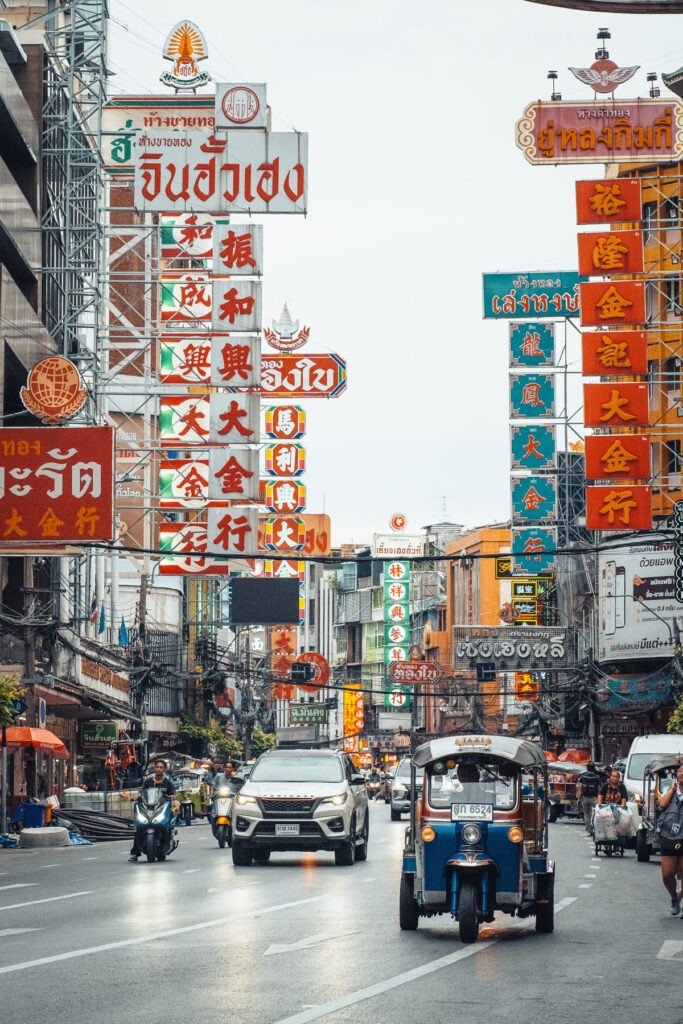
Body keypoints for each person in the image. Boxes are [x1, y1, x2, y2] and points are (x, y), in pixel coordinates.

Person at [129, 759, 176, 862]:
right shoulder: (148, 781)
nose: (158, 769)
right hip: (148, 808)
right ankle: (135, 853)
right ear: (154, 768)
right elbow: (142, 793)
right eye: (157, 767)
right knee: (140, 827)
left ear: (165, 769)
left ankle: (166, 845)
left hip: (161, 808)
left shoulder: (168, 783)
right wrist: (137, 796)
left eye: (161, 767)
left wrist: (172, 796)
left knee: (166, 826)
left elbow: (173, 794)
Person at [657, 764, 683, 915]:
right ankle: (675, 897)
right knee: (667, 874)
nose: (682, 773)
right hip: (669, 836)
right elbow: (661, 804)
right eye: (680, 771)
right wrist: (672, 789)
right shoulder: (672, 791)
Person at [576, 761, 602, 833]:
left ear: (587, 768)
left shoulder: (582, 776)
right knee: (595, 814)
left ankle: (589, 830)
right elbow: (600, 788)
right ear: (594, 768)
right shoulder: (597, 777)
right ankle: (594, 829)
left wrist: (578, 798)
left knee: (586, 814)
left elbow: (580, 787)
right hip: (594, 798)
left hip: (585, 798)